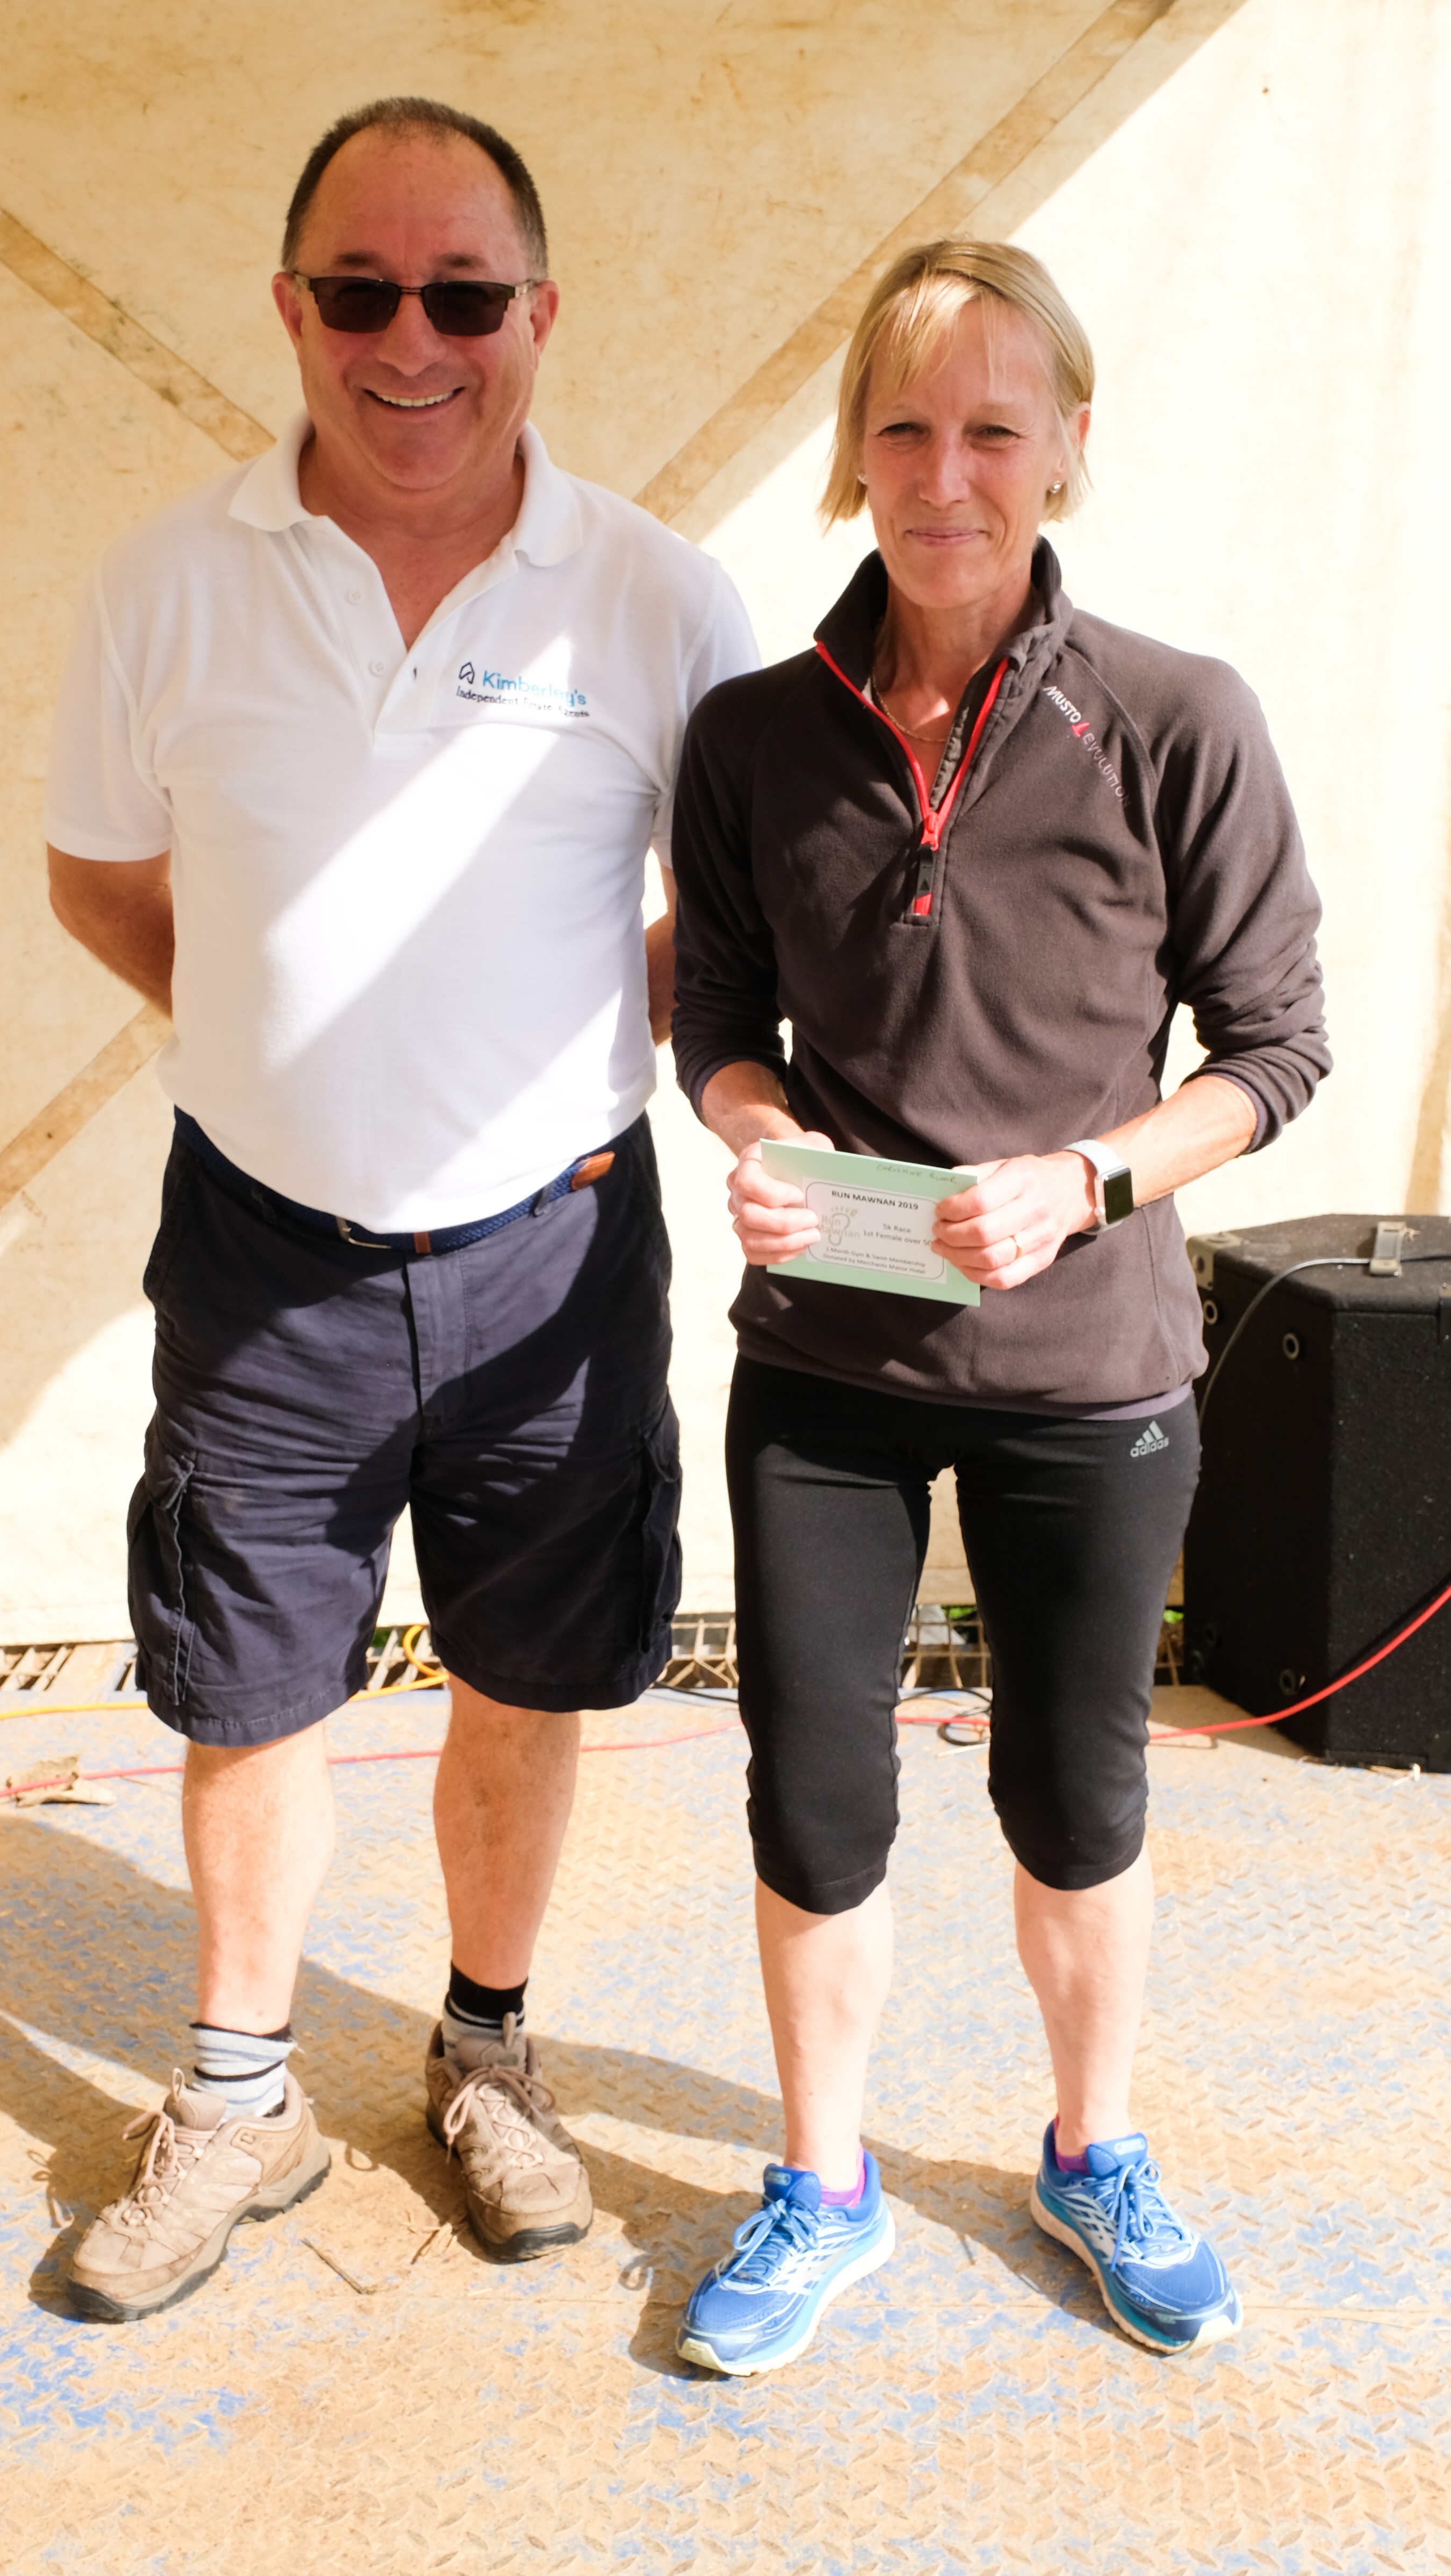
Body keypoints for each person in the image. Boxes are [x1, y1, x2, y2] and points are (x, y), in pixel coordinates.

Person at [43, 95, 755, 2320]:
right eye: (361, 292)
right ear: (291, 308)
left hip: (558, 1248)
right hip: (266, 1250)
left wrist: (582, 1039)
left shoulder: (658, 595)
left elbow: (737, 911)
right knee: (246, 1681)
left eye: (462, 295)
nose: (411, 343)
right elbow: (100, 877)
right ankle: (237, 2098)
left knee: (528, 1672)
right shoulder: (166, 581)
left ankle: (486, 2053)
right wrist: (277, 1043)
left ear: (541, 314)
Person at [668, 238, 1329, 2373]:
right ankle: (823, 2182)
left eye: (989, 428)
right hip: (826, 1370)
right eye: (903, 428)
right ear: (852, 455)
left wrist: (1089, 1179)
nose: (943, 475)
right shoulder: (750, 735)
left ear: (1064, 447)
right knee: (812, 1799)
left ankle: (1092, 2148)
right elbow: (717, 1022)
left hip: (1087, 1369)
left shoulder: (1177, 717)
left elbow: (1275, 1048)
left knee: (1075, 1794)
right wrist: (760, 1136)